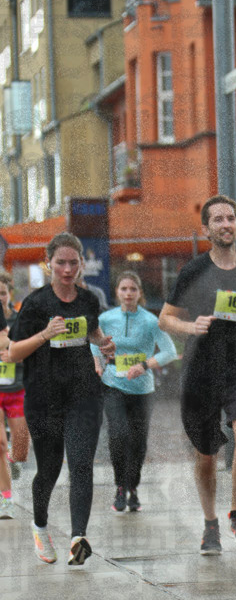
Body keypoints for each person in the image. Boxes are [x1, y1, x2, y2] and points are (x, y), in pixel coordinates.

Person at [159, 195, 236, 552]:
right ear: (206, 229)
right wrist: (191, 327)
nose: (226, 225)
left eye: (231, 218)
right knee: (206, 455)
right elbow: (165, 318)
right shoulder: (194, 271)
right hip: (202, 371)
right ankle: (210, 524)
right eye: (218, 220)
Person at [7, 233, 115, 564]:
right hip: (44, 398)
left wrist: (103, 344)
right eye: (61, 263)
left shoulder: (88, 300)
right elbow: (12, 353)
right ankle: (40, 527)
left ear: (82, 264)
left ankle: (78, 538)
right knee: (50, 470)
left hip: (83, 393)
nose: (67, 270)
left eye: (73, 263)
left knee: (82, 464)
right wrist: (44, 334)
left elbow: (90, 332)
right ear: (49, 263)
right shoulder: (36, 304)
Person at [93, 271, 177, 512]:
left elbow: (169, 351)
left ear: (139, 293)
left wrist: (144, 366)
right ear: (117, 292)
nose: (128, 293)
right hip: (113, 384)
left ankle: (133, 488)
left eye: (133, 289)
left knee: (138, 442)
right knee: (118, 435)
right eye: (123, 289)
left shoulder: (150, 321)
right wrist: (98, 361)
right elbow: (92, 341)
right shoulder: (107, 318)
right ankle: (120, 486)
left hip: (142, 390)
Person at [0, 272, 30, 518]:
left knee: (20, 450)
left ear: (10, 294)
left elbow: (28, 351)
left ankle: (12, 458)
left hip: (17, 386)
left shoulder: (20, 320)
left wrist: (13, 352)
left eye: (2, 293)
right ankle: (5, 497)